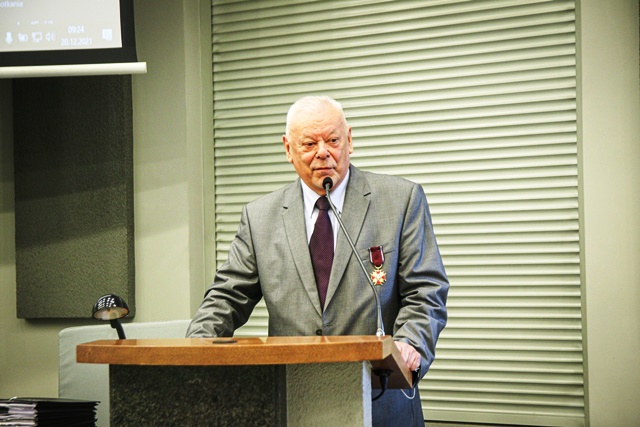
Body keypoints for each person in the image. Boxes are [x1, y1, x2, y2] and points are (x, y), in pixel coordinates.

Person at [187, 95, 449, 426]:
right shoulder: (260, 218)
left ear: (349, 140)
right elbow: (227, 297)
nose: (323, 152)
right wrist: (193, 349)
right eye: (309, 143)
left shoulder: (401, 200)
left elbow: (426, 291)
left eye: (333, 140)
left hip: (381, 401)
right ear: (288, 149)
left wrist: (410, 342)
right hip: (293, 404)